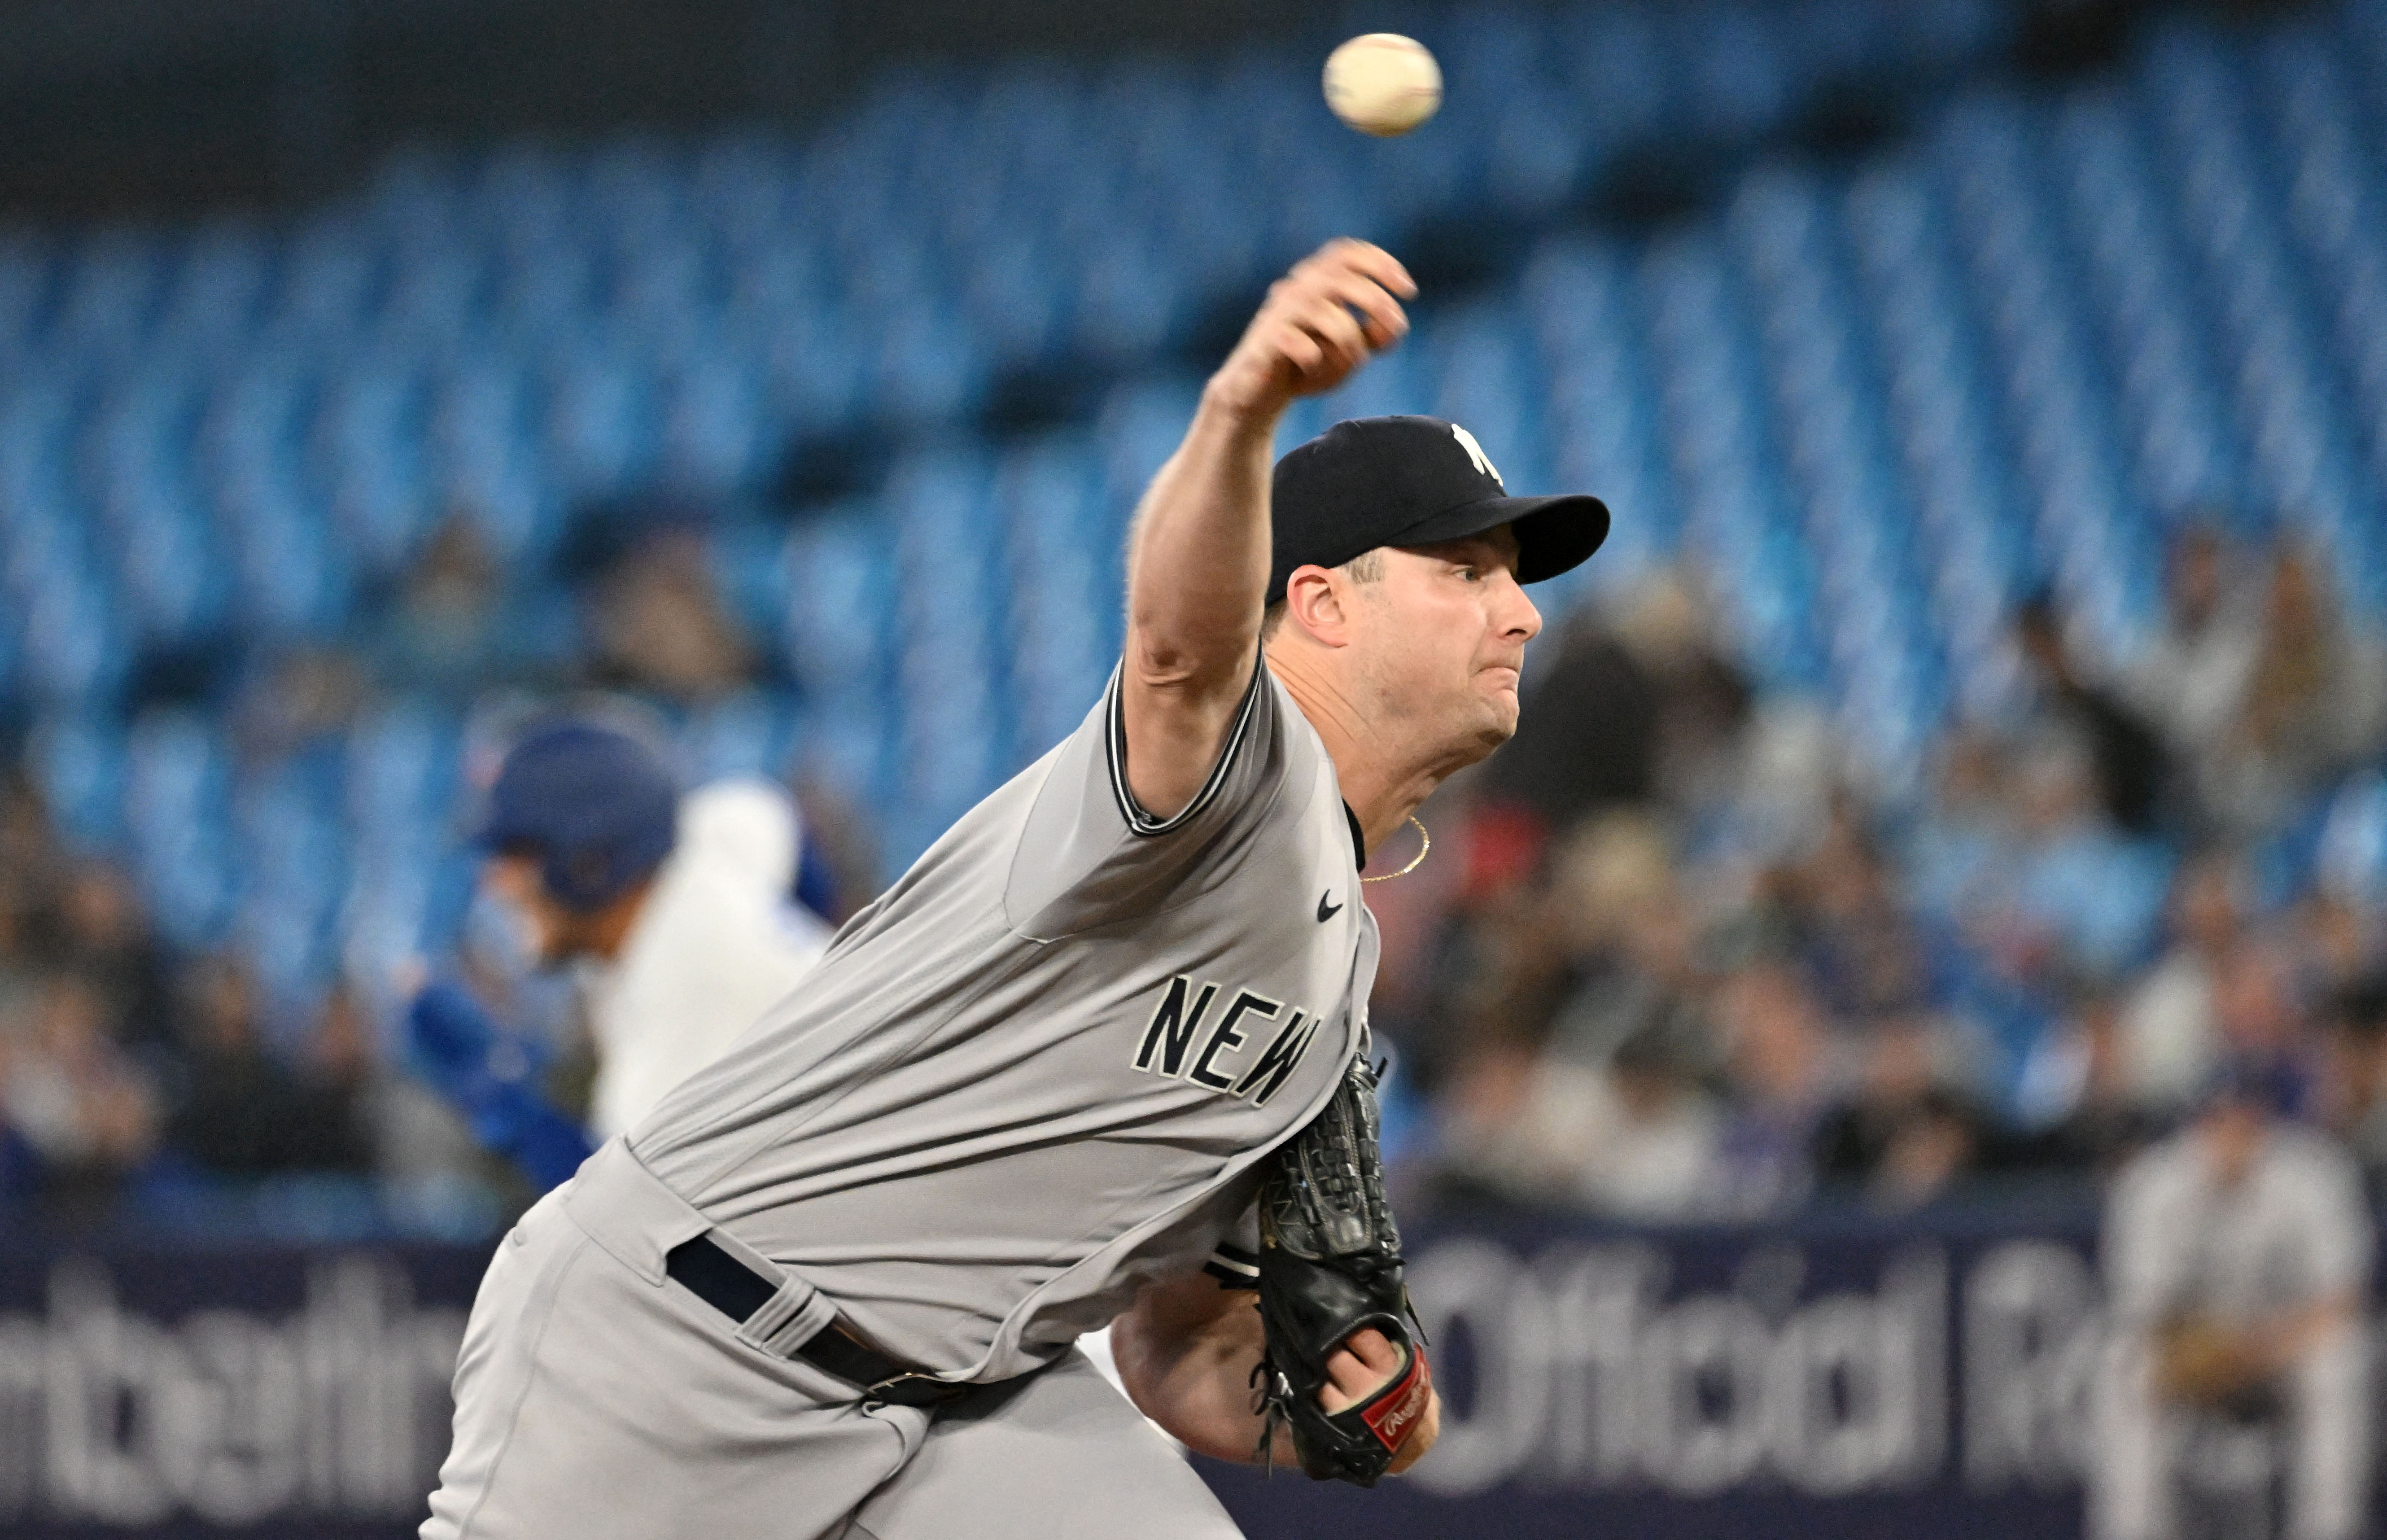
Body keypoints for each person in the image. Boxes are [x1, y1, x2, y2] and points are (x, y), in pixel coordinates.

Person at [421, 238, 1610, 1537]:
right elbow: (1174, 647)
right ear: (1320, 603)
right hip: (680, 1344)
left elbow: (1173, 1338)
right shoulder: (1231, 775)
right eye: (1470, 575)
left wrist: (1328, 1404)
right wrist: (1240, 413)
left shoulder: (1334, 983)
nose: (1525, 617)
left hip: (962, 1405)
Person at [407, 718, 832, 1186]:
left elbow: (631, 1231)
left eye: (517, 852)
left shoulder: (693, 971)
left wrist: (494, 1088)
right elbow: (760, 814)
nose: (495, 881)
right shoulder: (690, 861)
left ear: (591, 860)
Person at [2093, 1059, 2373, 1540]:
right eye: (2216, 1117)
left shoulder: (2312, 1174)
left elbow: (2342, 1300)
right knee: (2122, 1366)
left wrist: (2256, 1350)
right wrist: (2216, 1353)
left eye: (2242, 1115)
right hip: (2196, 1356)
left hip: (2284, 1353)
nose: (2230, 1130)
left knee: (2342, 1361)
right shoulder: (2154, 1185)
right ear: (2195, 1123)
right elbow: (2142, 1314)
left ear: (2263, 1117)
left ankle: (2329, 1530)